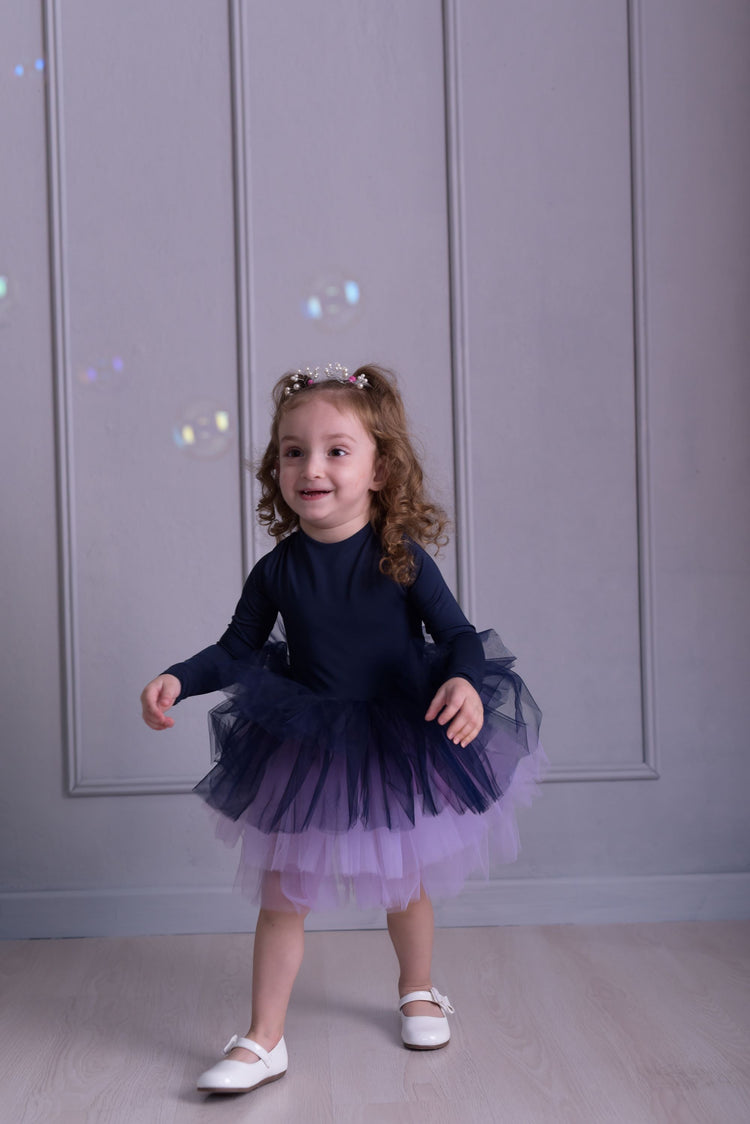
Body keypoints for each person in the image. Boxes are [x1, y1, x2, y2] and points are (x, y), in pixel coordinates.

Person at [140, 363, 545, 1096]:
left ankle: (417, 987)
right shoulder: (278, 570)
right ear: (276, 470)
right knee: (282, 894)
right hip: (310, 739)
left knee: (404, 879)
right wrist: (180, 676)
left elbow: (456, 634)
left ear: (379, 468)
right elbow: (236, 648)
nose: (311, 467)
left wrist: (462, 680)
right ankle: (264, 1039)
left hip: (397, 730)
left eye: (335, 449)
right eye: (293, 451)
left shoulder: (400, 559)